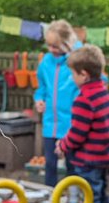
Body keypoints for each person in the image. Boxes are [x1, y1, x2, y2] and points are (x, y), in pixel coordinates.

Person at [55, 44, 109, 203]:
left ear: (83, 74)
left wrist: (63, 144)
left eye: (73, 73)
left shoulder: (84, 99)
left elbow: (78, 133)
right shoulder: (102, 92)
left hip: (88, 159)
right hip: (104, 156)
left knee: (90, 200)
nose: (72, 78)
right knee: (102, 196)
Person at [34, 19, 82, 188]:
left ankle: (75, 201)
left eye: (55, 46)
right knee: (50, 165)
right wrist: (39, 99)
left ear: (67, 43)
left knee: (72, 165)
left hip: (70, 124)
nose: (51, 50)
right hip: (50, 124)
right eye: (49, 45)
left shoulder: (77, 61)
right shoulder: (45, 62)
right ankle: (50, 198)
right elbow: (41, 88)